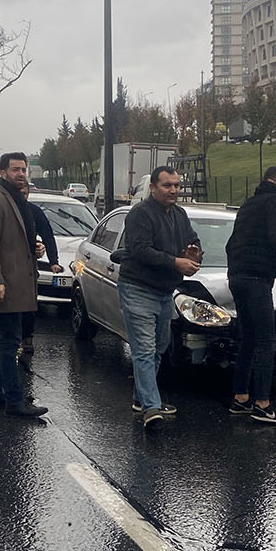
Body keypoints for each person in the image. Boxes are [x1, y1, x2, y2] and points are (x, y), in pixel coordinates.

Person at [117, 166, 201, 428]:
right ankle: (151, 409)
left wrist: (194, 252)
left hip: (166, 292)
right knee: (143, 349)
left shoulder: (179, 214)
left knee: (158, 349)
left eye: (176, 185)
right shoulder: (140, 215)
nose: (173, 190)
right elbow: (141, 250)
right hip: (138, 288)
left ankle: (141, 398)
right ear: (152, 187)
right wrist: (176, 262)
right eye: (167, 185)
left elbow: (192, 240)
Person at [224, 166, 276, 424]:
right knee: (266, 341)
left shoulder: (249, 204)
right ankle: (262, 403)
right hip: (257, 279)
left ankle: (240, 398)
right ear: (272, 182)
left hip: (237, 277)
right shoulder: (275, 202)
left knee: (248, 339)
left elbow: (233, 242)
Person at [0, 152, 47, 418]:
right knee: (9, 342)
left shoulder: (16, 200)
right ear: (3, 172)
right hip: (5, 284)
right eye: (15, 169)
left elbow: (14, 240)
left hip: (18, 282)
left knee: (4, 340)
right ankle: (15, 401)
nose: (21, 173)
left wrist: (34, 248)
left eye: (23, 169)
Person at [19, 198, 61, 369]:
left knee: (29, 304)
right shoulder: (0, 208)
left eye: (24, 193)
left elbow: (47, 235)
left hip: (28, 268)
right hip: (6, 269)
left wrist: (53, 260)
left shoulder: (34, 211)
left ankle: (27, 336)